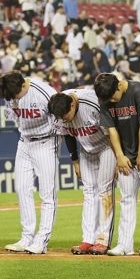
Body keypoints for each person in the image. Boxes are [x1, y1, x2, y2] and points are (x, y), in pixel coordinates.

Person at [94, 72, 140, 257]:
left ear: (119, 86)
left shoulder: (139, 92)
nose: (111, 101)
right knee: (126, 199)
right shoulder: (105, 97)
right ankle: (124, 244)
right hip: (125, 155)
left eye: (112, 96)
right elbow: (111, 130)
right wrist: (119, 155)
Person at [0, 72, 59, 255]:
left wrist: (54, 143)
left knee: (47, 193)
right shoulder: (11, 92)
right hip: (24, 142)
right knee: (22, 189)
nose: (13, 99)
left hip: (46, 141)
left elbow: (59, 122)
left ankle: (41, 240)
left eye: (15, 95)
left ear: (23, 86)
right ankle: (27, 236)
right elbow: (14, 117)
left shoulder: (44, 92)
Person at [47, 89, 117, 256]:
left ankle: (102, 240)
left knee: (105, 191)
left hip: (107, 146)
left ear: (73, 104)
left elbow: (112, 131)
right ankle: (87, 239)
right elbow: (68, 134)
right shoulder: (59, 106)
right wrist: (75, 160)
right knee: (88, 192)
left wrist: (118, 157)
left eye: (65, 114)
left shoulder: (93, 104)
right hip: (86, 149)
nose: (64, 118)